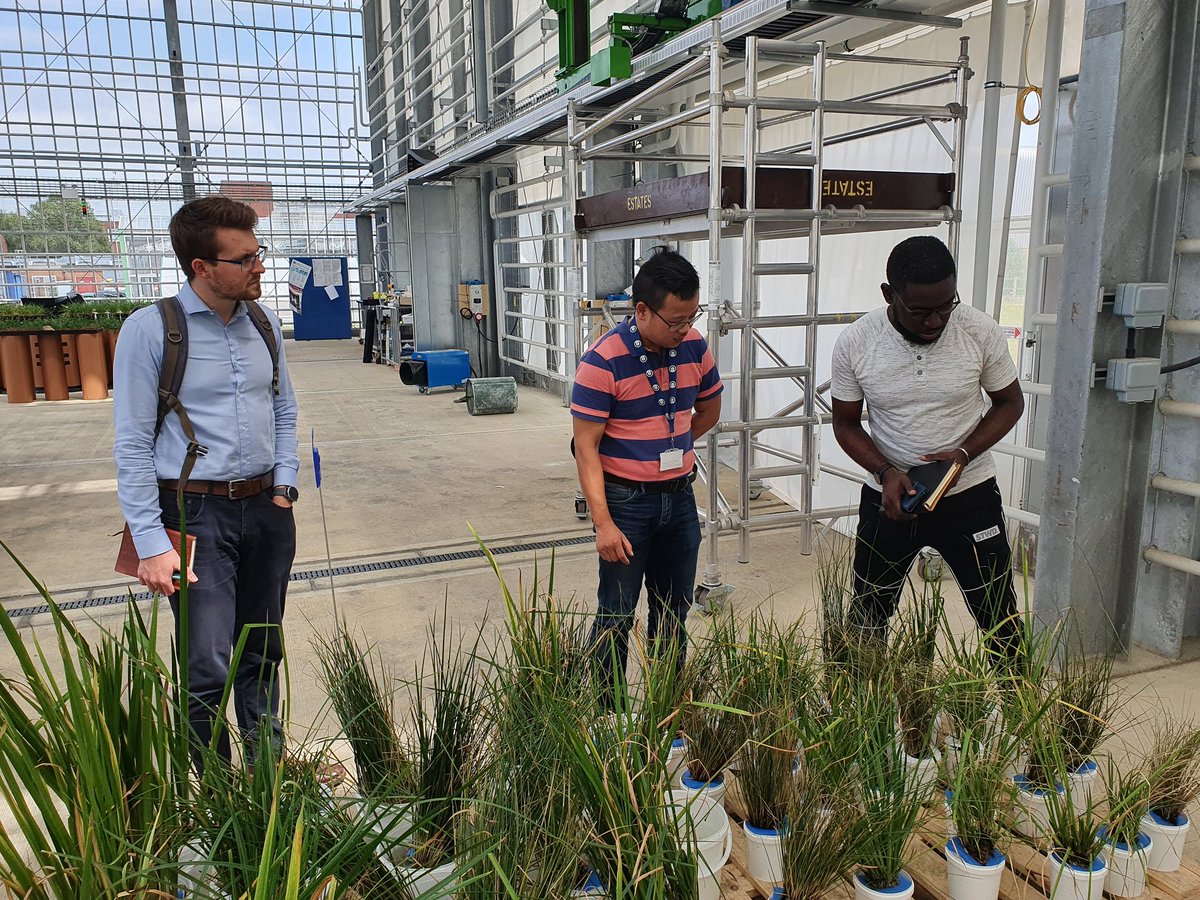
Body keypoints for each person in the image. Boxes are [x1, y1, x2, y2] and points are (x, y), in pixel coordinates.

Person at [113, 196, 299, 764]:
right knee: (206, 662)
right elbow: (132, 444)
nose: (259, 266)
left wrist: (285, 486)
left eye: (257, 252)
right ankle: (215, 799)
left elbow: (284, 409)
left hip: (266, 508)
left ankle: (267, 780)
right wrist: (149, 544)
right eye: (244, 258)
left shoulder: (264, 324)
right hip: (194, 513)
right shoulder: (151, 332)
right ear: (202, 267)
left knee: (262, 650)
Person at [830, 235, 1025, 661]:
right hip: (892, 499)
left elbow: (1010, 402)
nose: (935, 321)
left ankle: (1017, 711)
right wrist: (885, 472)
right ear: (889, 294)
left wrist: (963, 454)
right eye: (920, 311)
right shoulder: (857, 342)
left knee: (999, 617)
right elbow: (845, 424)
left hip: (970, 495)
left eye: (946, 306)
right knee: (866, 618)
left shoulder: (979, 330)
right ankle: (855, 716)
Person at [571, 248, 723, 704]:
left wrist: (671, 443)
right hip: (626, 503)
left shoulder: (694, 346)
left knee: (673, 610)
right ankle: (606, 712)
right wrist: (603, 523)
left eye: (692, 318)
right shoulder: (602, 361)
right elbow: (585, 448)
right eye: (675, 321)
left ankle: (666, 703)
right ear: (641, 310)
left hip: (678, 500)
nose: (686, 330)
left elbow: (711, 408)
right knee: (616, 611)